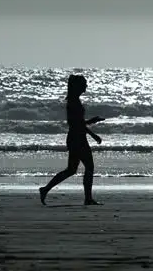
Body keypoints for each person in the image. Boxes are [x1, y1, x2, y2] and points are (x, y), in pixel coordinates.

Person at [39, 74, 104, 206]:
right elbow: (77, 124)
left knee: (71, 169)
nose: (86, 87)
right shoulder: (74, 102)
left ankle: (45, 189)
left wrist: (91, 121)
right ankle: (88, 198)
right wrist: (94, 135)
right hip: (78, 138)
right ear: (78, 86)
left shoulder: (74, 101)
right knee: (89, 167)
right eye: (84, 84)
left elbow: (79, 122)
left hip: (75, 137)